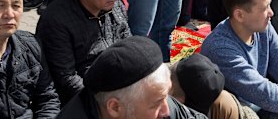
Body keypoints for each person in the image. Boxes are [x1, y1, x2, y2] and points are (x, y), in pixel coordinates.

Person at [36, 0, 131, 104]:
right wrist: (106, 102)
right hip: (85, 99)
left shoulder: (116, 6)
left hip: (117, 88)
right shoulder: (55, 21)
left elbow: (128, 47)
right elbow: (66, 79)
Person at [57, 36, 207, 119]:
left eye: (166, 96)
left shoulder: (155, 96)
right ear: (115, 108)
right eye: (156, 104)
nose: (166, 111)